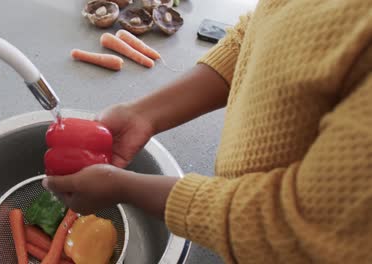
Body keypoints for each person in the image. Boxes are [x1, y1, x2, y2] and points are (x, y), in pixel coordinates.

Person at [43, 0, 372, 263]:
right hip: (236, 223)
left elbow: (308, 231)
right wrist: (143, 114)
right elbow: (260, 34)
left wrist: (125, 189)